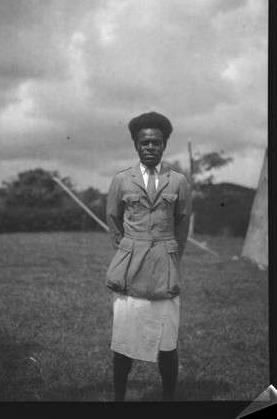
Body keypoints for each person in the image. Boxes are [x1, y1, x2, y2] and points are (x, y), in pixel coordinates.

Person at [105, 111, 191, 401]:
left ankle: (169, 400)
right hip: (129, 268)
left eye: (156, 142)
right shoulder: (121, 180)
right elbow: (114, 222)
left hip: (165, 267)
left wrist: (169, 256)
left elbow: (182, 225)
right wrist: (130, 251)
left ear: (164, 145)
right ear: (136, 145)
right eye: (145, 143)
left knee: (167, 342)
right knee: (124, 341)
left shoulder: (178, 181)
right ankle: (119, 399)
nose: (150, 147)